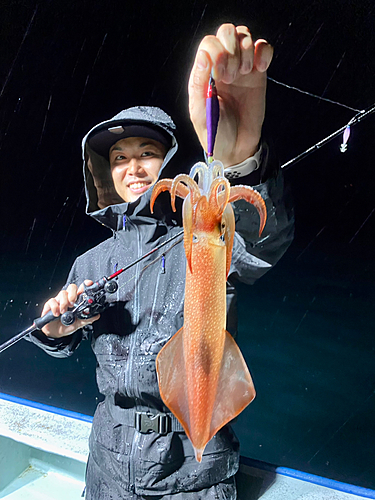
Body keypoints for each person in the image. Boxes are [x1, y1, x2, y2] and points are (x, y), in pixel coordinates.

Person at [28, 24, 294, 499]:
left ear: (168, 162)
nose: (132, 168)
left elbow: (262, 242)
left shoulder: (202, 236)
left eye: (147, 154)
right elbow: (57, 339)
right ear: (105, 173)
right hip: (108, 461)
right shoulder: (93, 261)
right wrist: (54, 328)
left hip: (192, 475)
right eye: (119, 158)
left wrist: (240, 160)